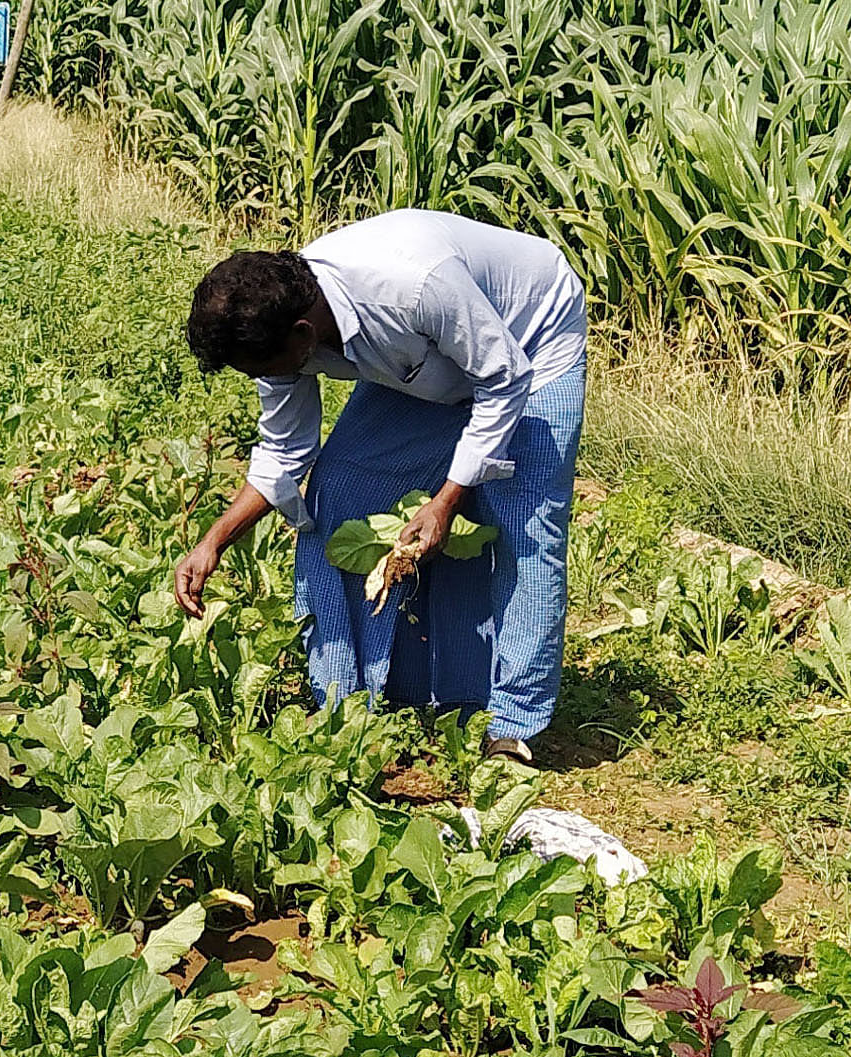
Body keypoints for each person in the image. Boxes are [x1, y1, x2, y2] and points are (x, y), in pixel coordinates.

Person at [175, 210, 588, 765]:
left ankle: (512, 725)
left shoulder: (413, 286)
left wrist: (446, 499)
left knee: (522, 525)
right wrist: (215, 539)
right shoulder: (286, 322)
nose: (263, 379)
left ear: (303, 335)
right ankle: (353, 697)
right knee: (340, 488)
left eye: (263, 368)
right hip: (425, 358)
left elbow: (501, 377)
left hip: (528, 343)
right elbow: (284, 449)